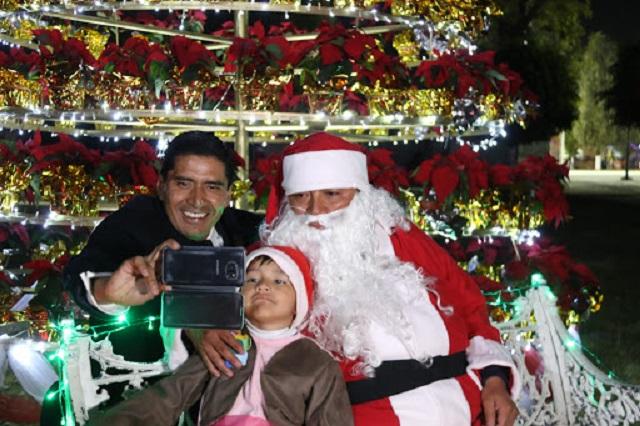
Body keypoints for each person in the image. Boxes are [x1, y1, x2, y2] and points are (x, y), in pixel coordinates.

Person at [260, 132, 521, 426]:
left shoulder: (402, 237)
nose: (316, 211)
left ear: (360, 193)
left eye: (332, 194)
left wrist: (494, 379)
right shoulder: (275, 263)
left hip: (468, 405)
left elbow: (470, 304)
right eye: (300, 196)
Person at [87, 245, 353, 426]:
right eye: (251, 279)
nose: (262, 286)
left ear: (300, 301)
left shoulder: (315, 361)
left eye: (279, 281)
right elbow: (170, 396)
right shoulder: (225, 343)